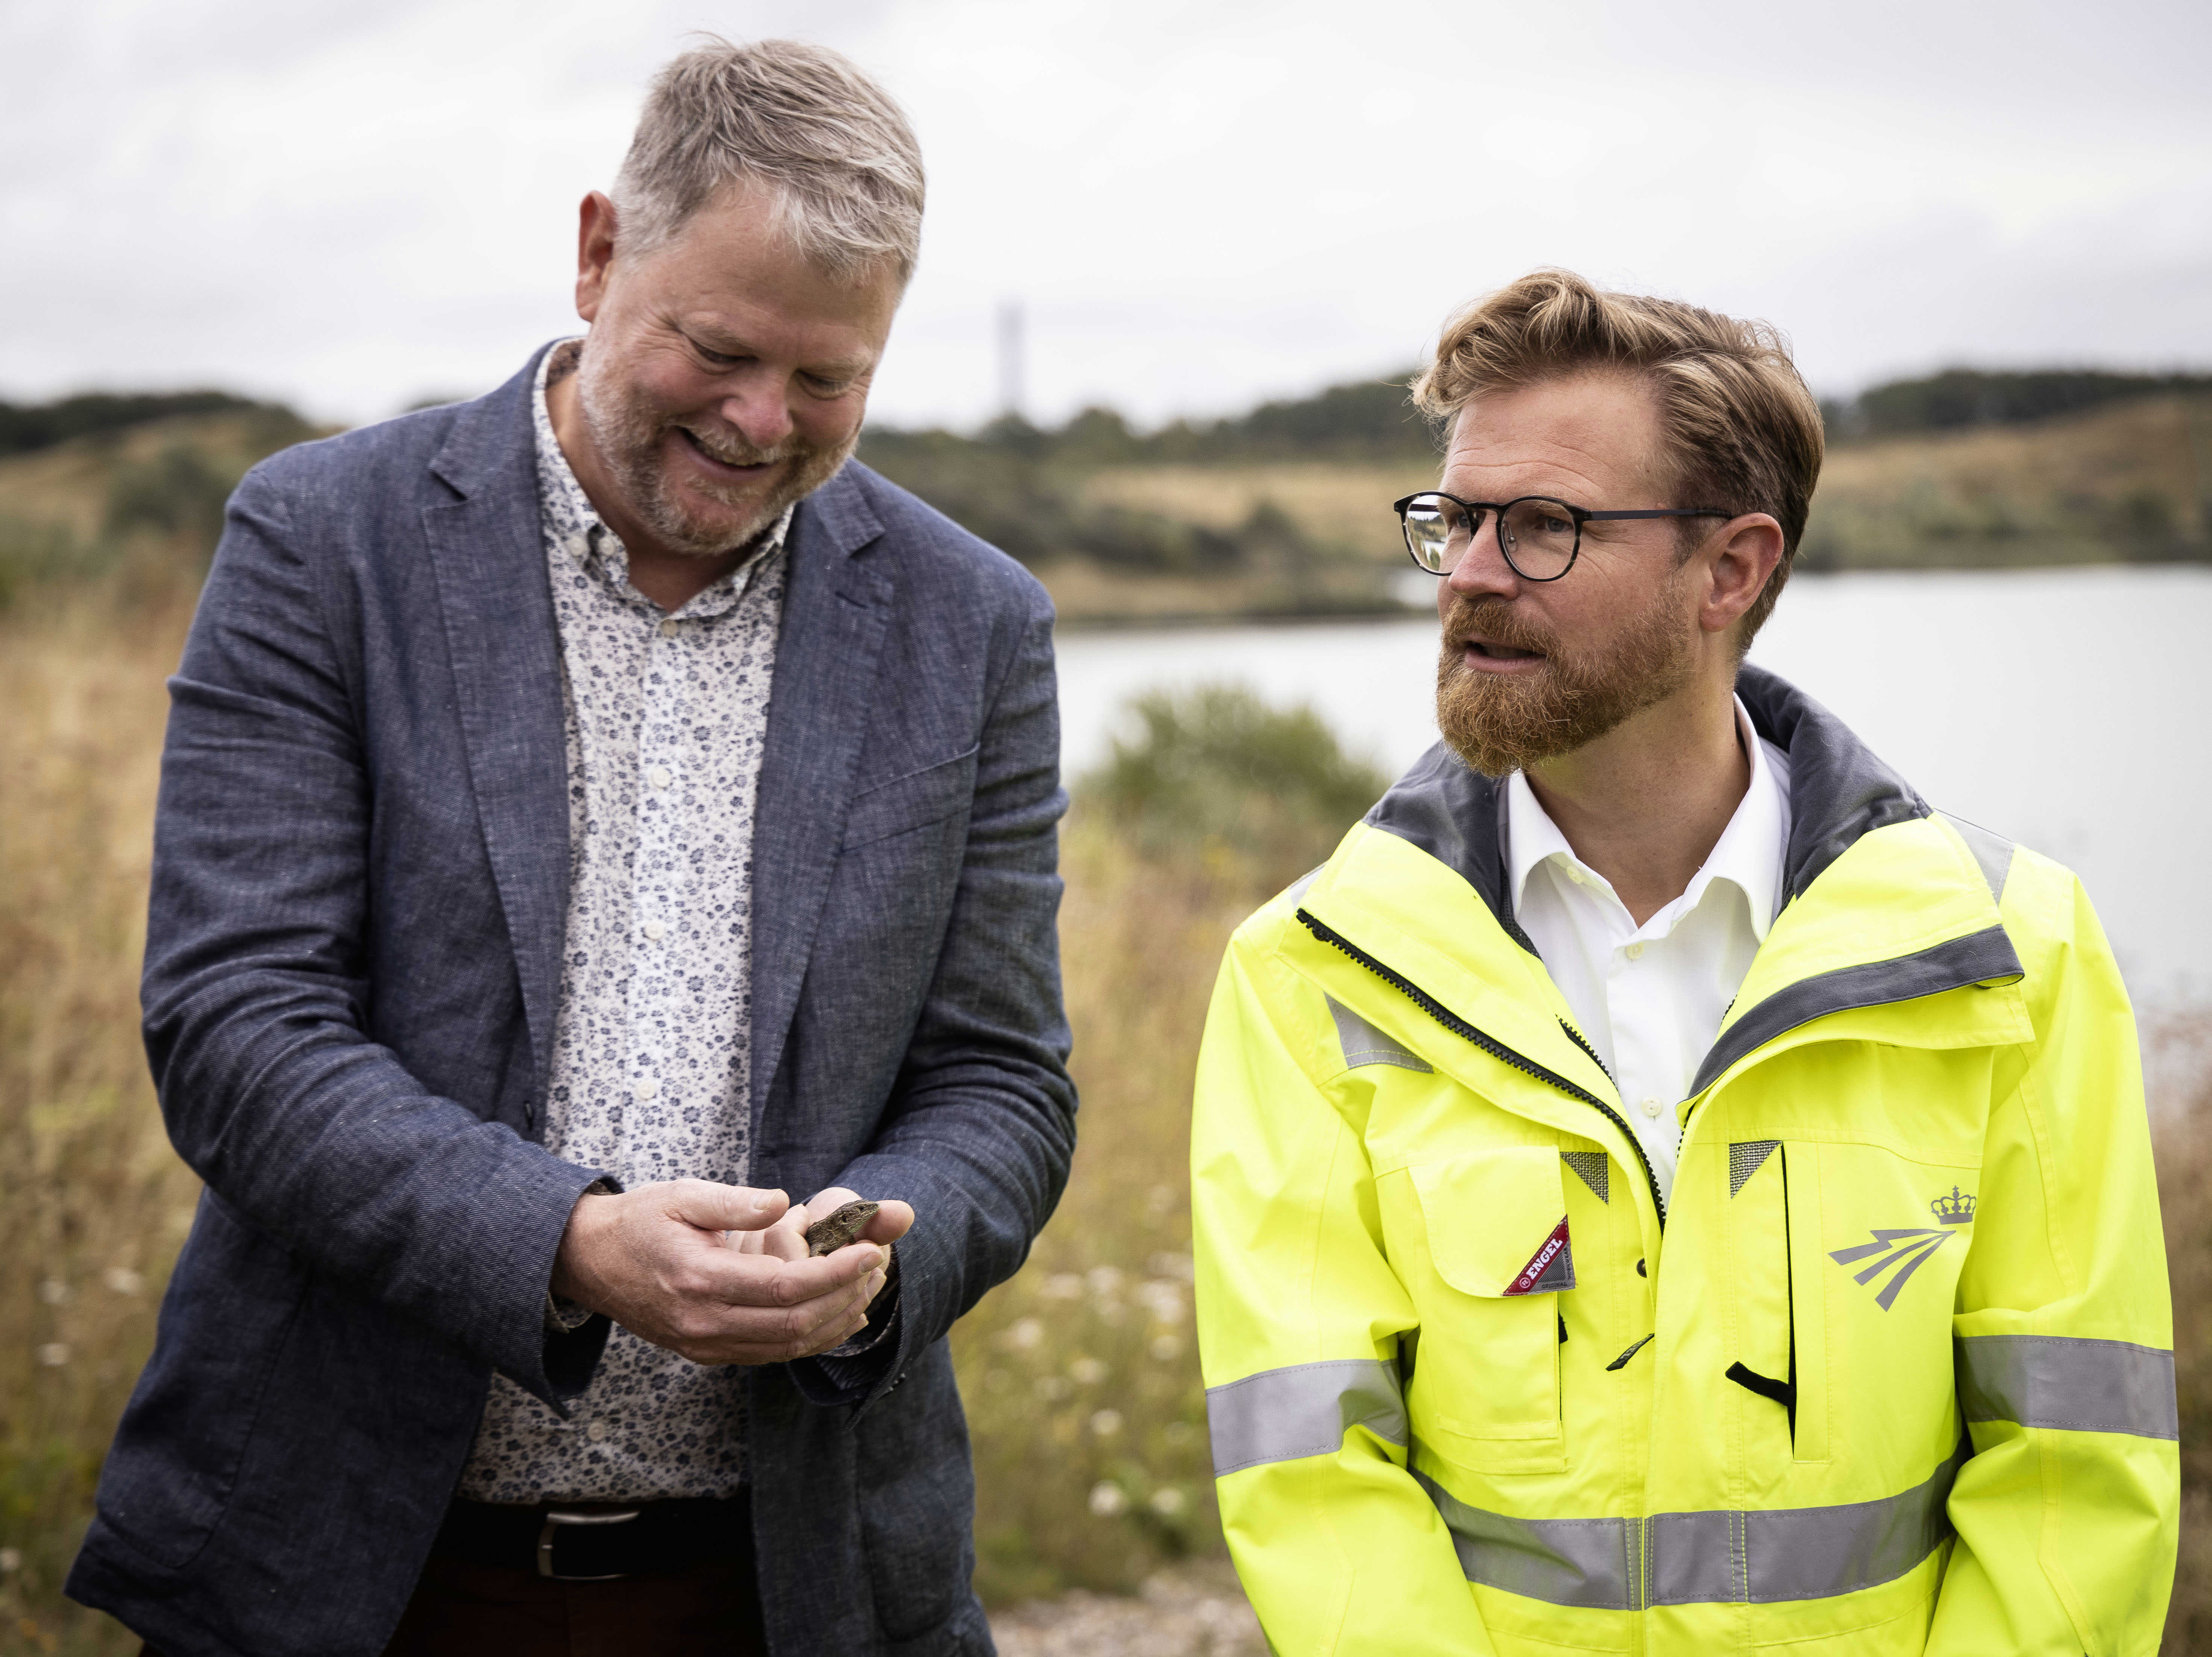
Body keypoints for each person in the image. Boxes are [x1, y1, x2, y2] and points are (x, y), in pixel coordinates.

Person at [67, 38, 1076, 1657]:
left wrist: (873, 1259)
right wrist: (569, 1242)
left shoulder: (974, 624)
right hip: (355, 1575)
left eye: (828, 380)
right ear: (601, 251)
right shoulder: (325, 541)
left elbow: (1002, 1082)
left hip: (793, 1591)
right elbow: (236, 1025)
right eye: (721, 350)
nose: (763, 422)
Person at [1190, 270, 2176, 1653]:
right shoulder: (1311, 973)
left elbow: (2075, 1466)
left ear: (1731, 568)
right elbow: (1313, 1484)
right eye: (1456, 520)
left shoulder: (2014, 951)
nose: (1470, 573)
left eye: (1543, 527)